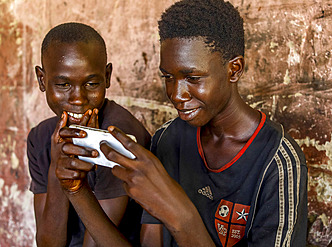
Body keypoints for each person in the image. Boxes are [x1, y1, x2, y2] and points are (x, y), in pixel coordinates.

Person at [55, 0, 308, 246]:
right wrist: (77, 191)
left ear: (234, 69)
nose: (177, 94)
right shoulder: (168, 139)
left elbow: (180, 220)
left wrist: (181, 217)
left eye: (193, 77)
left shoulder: (278, 161)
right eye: (168, 77)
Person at [27, 22, 151, 247]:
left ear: (107, 76)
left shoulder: (118, 136)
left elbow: (96, 244)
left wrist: (75, 184)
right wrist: (57, 170)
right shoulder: (40, 137)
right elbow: (48, 243)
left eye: (92, 83)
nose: (78, 99)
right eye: (63, 84)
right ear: (42, 80)